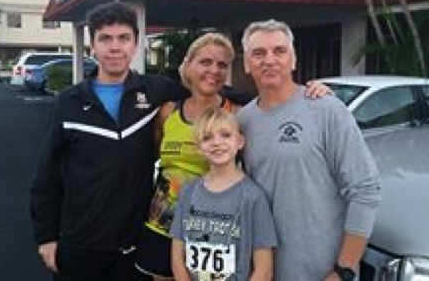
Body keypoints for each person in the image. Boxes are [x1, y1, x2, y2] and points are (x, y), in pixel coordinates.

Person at [134, 32, 330, 280]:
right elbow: (147, 159)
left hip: (214, 231)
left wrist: (313, 92)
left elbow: (281, 112)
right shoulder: (167, 111)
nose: (214, 70)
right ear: (188, 66)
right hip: (162, 228)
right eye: (205, 62)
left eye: (222, 65)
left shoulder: (239, 113)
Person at [29, 1, 187, 281]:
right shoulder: (68, 102)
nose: (115, 47)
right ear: (93, 45)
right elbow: (46, 175)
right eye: (105, 38)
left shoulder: (155, 91)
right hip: (79, 245)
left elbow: (204, 91)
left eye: (124, 38)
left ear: (136, 44)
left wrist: (255, 102)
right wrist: (46, 236)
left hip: (134, 247)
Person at [238, 19, 382, 281]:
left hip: (323, 272)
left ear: (293, 60)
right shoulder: (243, 121)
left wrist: (345, 269)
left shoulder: (326, 109)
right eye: (258, 53)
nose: (269, 60)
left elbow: (365, 189)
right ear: (247, 64)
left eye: (279, 51)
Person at [170, 107, 277, 281]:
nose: (216, 143)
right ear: (198, 147)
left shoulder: (253, 197)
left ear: (240, 141)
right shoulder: (188, 192)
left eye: (226, 135)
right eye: (207, 138)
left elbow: (264, 270)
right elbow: (177, 258)